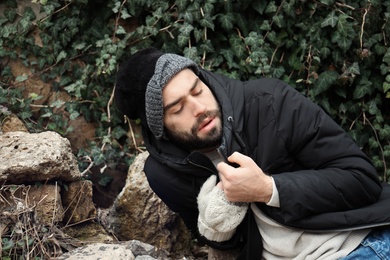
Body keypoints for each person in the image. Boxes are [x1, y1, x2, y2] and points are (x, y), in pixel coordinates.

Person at [114, 47, 390, 259]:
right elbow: (226, 242)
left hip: (359, 242)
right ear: (159, 126)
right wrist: (216, 227)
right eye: (177, 109)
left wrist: (269, 189)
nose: (199, 108)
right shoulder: (164, 173)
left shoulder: (270, 101)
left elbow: (362, 179)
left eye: (198, 90)